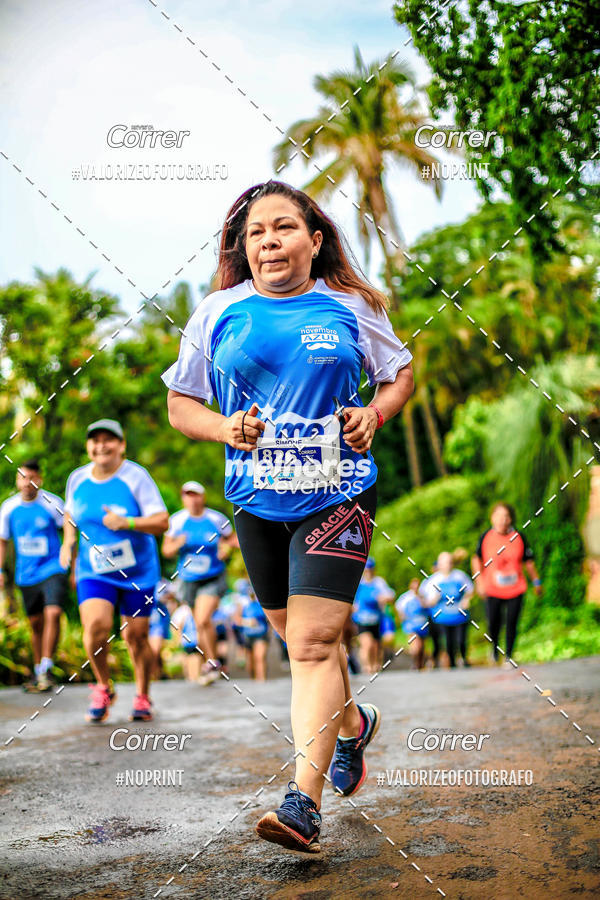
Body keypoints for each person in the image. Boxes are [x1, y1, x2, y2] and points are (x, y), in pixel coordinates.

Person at [162, 180, 414, 853]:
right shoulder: (217, 312)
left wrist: (375, 414)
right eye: (256, 233)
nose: (269, 241)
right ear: (243, 249)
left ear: (315, 238)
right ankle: (353, 723)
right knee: (300, 639)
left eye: (283, 228)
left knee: (309, 644)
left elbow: (399, 373)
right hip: (255, 501)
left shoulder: (350, 306)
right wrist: (226, 428)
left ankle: (302, 803)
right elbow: (181, 406)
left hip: (339, 493)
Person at [60, 419, 169, 723]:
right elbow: (70, 513)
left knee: (136, 636)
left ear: (121, 446)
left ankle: (143, 695)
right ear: (88, 447)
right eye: (95, 441)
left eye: (109, 440)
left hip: (139, 573)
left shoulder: (136, 477)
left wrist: (128, 523)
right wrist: (68, 542)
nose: (101, 446)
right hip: (94, 570)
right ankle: (103, 686)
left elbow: (162, 521)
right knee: (95, 628)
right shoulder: (77, 478)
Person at [0, 460, 68, 691]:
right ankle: (38, 670)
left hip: (53, 568)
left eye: (31, 478)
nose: (27, 483)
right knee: (35, 623)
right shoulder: (8, 508)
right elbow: (2, 541)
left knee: (54, 612)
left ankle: (47, 666)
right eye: (22, 478)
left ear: (39, 479)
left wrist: (72, 562)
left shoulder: (52, 503)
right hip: (26, 574)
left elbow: (69, 531)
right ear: (17, 481)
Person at [161, 481, 237, 685]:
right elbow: (166, 551)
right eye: (187, 495)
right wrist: (178, 543)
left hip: (212, 577)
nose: (192, 499)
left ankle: (212, 661)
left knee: (203, 619)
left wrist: (226, 548)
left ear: (202, 497)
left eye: (195, 495)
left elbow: (234, 540)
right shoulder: (177, 521)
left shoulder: (216, 518)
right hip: (189, 580)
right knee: (199, 623)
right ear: (183, 499)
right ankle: (210, 662)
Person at [472, 502, 542, 666]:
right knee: (493, 622)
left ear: (510, 519)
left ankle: (509, 655)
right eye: (499, 516)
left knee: (512, 621)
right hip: (492, 588)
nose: (502, 520)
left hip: (516, 587)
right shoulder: (485, 537)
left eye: (506, 516)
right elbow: (477, 559)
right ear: (492, 518)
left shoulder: (519, 537)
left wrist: (537, 582)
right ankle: (495, 649)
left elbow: (529, 562)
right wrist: (479, 582)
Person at [423, 552, 474, 668]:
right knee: (448, 642)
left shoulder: (460, 576)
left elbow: (470, 591)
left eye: (450, 562)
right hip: (443, 617)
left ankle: (464, 657)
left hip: (459, 614)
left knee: (461, 639)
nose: (448, 565)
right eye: (445, 563)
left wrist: (466, 599)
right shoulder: (433, 580)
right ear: (440, 565)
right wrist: (434, 600)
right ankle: (452, 662)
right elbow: (428, 601)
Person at [351, 558, 395, 675]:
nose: (369, 572)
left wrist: (384, 598)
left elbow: (390, 595)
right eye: (366, 570)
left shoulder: (379, 582)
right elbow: (350, 599)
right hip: (362, 620)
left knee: (376, 646)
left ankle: (376, 666)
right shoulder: (359, 583)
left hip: (376, 619)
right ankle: (366, 667)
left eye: (370, 569)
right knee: (367, 644)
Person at [396, 577, 429, 670]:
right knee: (416, 646)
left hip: (422, 625)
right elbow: (399, 609)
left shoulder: (423, 597)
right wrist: (402, 618)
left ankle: (420, 664)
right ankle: (414, 662)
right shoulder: (405, 597)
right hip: (411, 625)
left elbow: (428, 607)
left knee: (422, 646)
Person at [238, 586, 269, 681]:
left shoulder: (262, 602)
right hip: (248, 635)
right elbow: (235, 619)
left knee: (260, 657)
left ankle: (262, 680)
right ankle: (253, 680)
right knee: (250, 662)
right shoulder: (242, 603)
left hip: (261, 634)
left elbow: (270, 618)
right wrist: (246, 622)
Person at [148, 579, 176, 680]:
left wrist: (163, 598)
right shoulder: (141, 580)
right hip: (144, 619)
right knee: (150, 649)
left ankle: (153, 675)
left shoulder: (164, 583)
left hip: (158, 622)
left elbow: (174, 595)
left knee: (155, 649)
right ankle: (159, 672)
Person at [171, 600, 203, 681]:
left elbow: (175, 626)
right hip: (192, 638)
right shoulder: (185, 610)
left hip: (189, 639)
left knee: (191, 657)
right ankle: (194, 677)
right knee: (194, 657)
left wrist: (178, 638)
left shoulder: (181, 610)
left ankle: (191, 677)